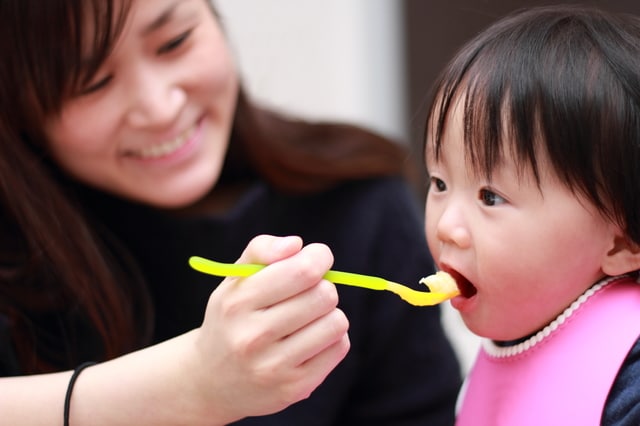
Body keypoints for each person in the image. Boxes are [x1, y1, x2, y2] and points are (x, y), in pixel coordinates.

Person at [0, 0, 462, 424]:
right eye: (93, 82)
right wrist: (189, 385)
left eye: (174, 42)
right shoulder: (15, 264)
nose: (160, 108)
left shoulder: (359, 203)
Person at [421, 4, 640, 425]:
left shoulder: (630, 380)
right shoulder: (508, 342)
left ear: (622, 240)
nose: (447, 226)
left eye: (490, 196)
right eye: (439, 184)